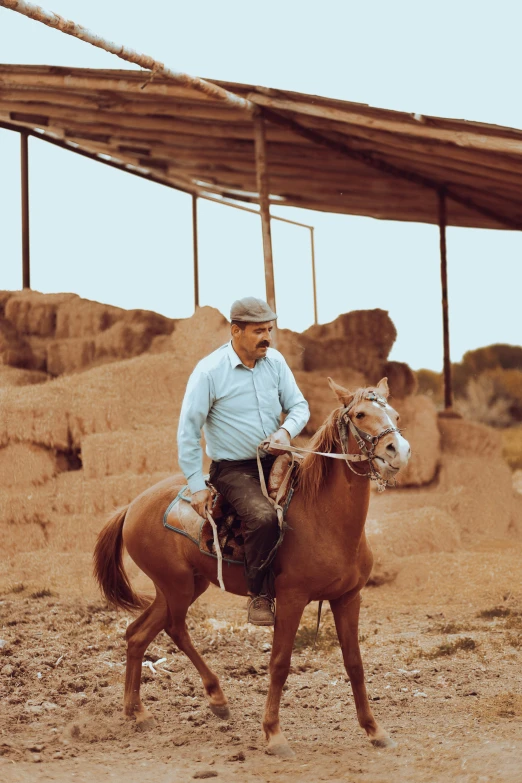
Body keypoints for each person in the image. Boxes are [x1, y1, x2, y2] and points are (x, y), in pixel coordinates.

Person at [177, 296, 310, 625]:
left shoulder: (276, 362)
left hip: (278, 459)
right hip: (234, 470)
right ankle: (260, 595)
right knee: (264, 518)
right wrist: (196, 486)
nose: (267, 337)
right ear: (235, 331)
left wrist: (285, 432)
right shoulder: (209, 372)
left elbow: (299, 407)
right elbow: (188, 432)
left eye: (269, 329)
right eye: (258, 331)